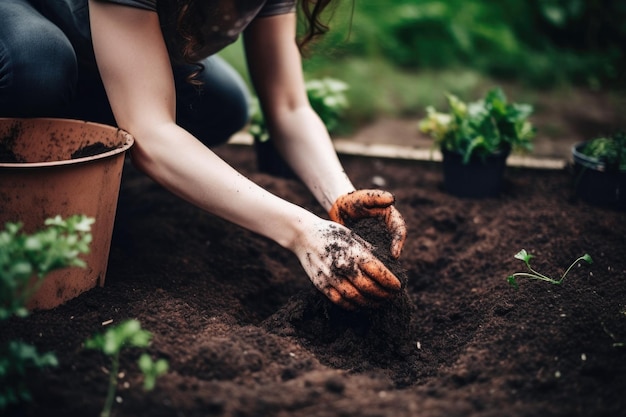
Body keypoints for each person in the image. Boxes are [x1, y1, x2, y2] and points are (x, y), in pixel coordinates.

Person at [0, 0, 407, 310]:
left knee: (223, 105)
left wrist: (341, 198)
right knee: (39, 65)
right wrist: (300, 231)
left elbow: (289, 107)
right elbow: (152, 132)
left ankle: (93, 128)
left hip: (111, 37)